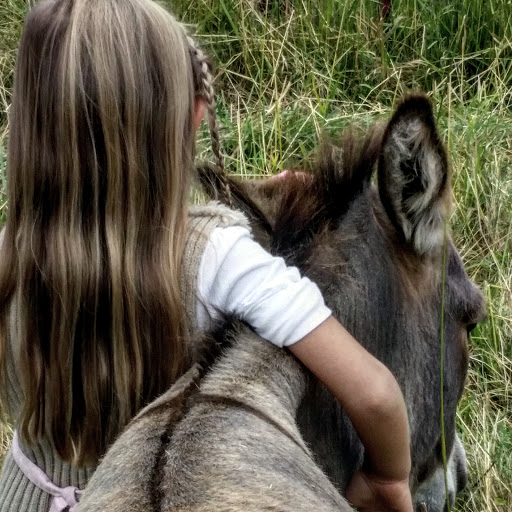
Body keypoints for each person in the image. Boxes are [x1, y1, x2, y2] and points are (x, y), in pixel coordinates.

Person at [0, 1, 413, 511]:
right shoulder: (219, 262)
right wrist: (386, 480)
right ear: (194, 116)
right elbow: (375, 393)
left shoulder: (8, 257)